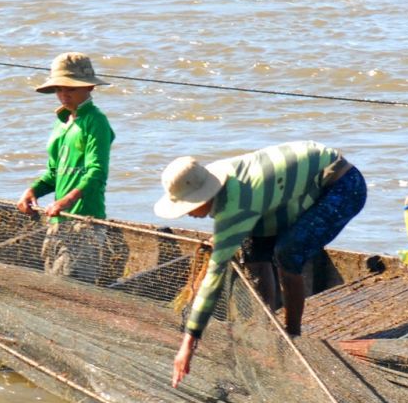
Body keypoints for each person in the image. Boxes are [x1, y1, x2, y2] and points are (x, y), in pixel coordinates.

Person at [154, 140, 366, 387]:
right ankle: (266, 327)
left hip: (343, 186)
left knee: (287, 252)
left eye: (189, 206)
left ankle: (291, 337)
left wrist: (188, 344)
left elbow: (214, 277)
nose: (187, 212)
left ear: (206, 195)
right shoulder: (213, 177)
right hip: (287, 194)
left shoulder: (237, 204)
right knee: (252, 247)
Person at [15, 52, 116, 282]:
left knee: (74, 288)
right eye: (59, 89)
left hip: (84, 222)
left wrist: (66, 201)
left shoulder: (95, 121)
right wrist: (33, 191)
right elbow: (53, 173)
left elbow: (96, 172)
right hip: (57, 221)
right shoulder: (62, 123)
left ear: (89, 88)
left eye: (70, 89)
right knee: (53, 284)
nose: (63, 95)